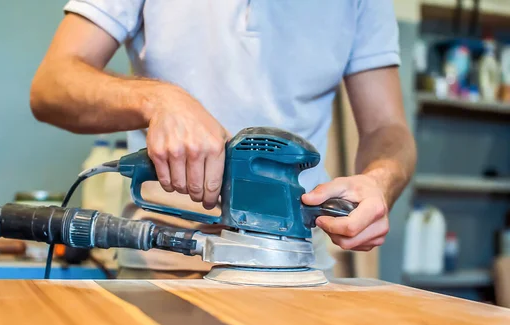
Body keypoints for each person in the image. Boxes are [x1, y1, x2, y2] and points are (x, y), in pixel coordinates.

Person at [30, 1, 416, 278]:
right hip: (161, 254)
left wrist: (378, 183)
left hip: (295, 263)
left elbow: (388, 129)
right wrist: (161, 99)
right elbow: (51, 86)